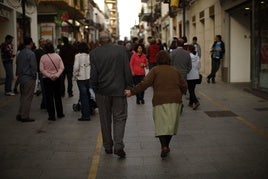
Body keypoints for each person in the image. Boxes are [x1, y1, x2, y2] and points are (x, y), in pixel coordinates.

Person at [125, 50, 188, 158]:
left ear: (158, 60)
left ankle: (164, 146)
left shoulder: (155, 70)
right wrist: (180, 93)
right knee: (170, 125)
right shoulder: (174, 70)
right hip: (175, 100)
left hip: (160, 100)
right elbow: (184, 85)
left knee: (161, 125)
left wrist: (132, 91)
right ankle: (166, 146)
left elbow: (145, 83)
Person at [90, 31, 133, 158]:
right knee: (120, 118)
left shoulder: (94, 53)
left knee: (104, 119)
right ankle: (118, 145)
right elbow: (127, 69)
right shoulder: (121, 50)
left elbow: (93, 74)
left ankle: (108, 146)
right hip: (119, 91)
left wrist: (95, 88)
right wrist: (129, 86)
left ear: (100, 41)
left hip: (102, 92)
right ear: (110, 40)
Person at [40, 42, 65, 121]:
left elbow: (41, 69)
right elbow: (62, 67)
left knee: (49, 97)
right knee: (57, 96)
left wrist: (50, 76)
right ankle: (60, 113)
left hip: (47, 79)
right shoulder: (57, 56)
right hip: (57, 79)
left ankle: (51, 116)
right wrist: (57, 75)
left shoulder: (43, 57)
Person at [16, 37, 37, 122]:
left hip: (21, 78)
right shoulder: (31, 54)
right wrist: (34, 76)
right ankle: (25, 116)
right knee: (28, 97)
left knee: (23, 97)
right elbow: (33, 67)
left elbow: (17, 65)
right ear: (31, 43)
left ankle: (20, 113)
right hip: (29, 78)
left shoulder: (20, 53)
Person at [73, 42, 91, 121]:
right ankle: (90, 110)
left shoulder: (77, 56)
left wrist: (75, 75)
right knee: (88, 95)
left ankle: (85, 115)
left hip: (81, 78)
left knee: (83, 96)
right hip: (89, 78)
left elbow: (76, 67)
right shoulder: (89, 55)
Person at [186, 45, 201, 110]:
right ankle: (190, 103)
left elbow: (186, 66)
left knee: (190, 90)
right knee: (192, 89)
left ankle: (196, 101)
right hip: (196, 75)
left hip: (189, 75)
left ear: (189, 49)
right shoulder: (197, 56)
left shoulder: (188, 56)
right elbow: (199, 66)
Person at [34, 38, 47, 109]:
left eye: (44, 42)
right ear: (40, 43)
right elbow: (37, 62)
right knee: (44, 88)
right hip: (41, 72)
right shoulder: (37, 51)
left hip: (47, 71)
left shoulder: (46, 50)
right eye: (43, 42)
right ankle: (44, 104)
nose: (44, 43)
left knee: (45, 89)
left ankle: (43, 103)